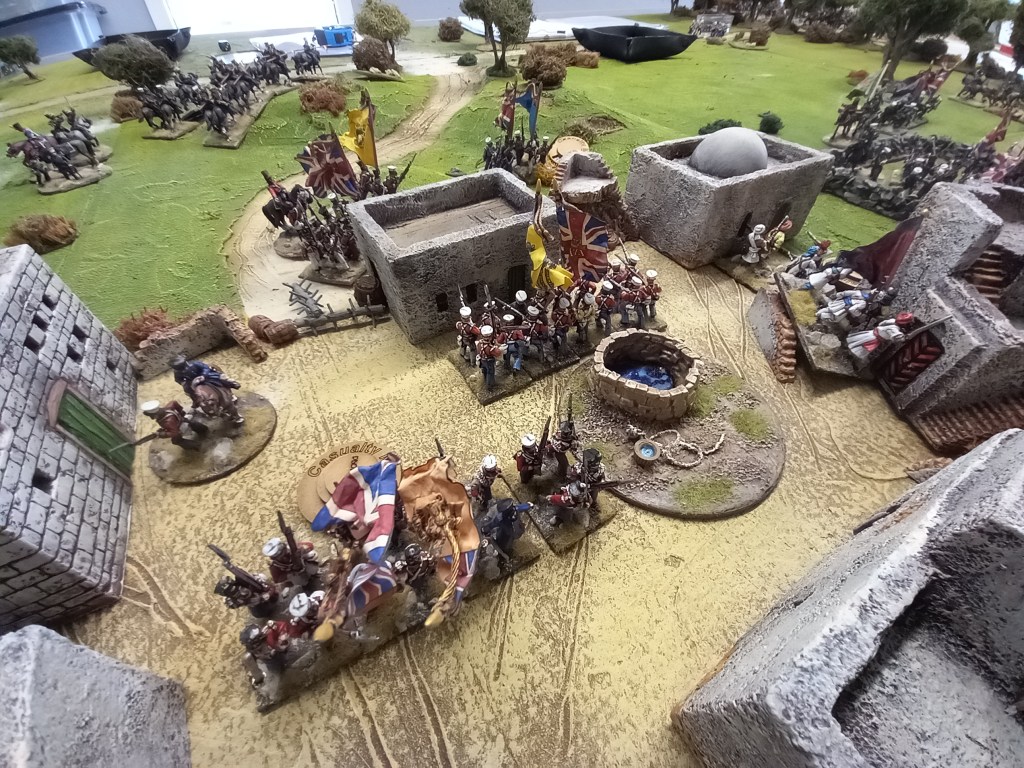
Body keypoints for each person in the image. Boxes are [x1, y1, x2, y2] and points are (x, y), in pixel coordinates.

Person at [141, 399, 208, 450]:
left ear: (155, 415)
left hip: (178, 427)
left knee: (176, 441)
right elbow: (174, 402)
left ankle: (197, 446)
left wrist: (160, 434)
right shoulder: (168, 407)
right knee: (191, 423)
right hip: (181, 420)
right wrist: (181, 412)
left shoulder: (167, 422)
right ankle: (203, 430)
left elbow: (174, 433)